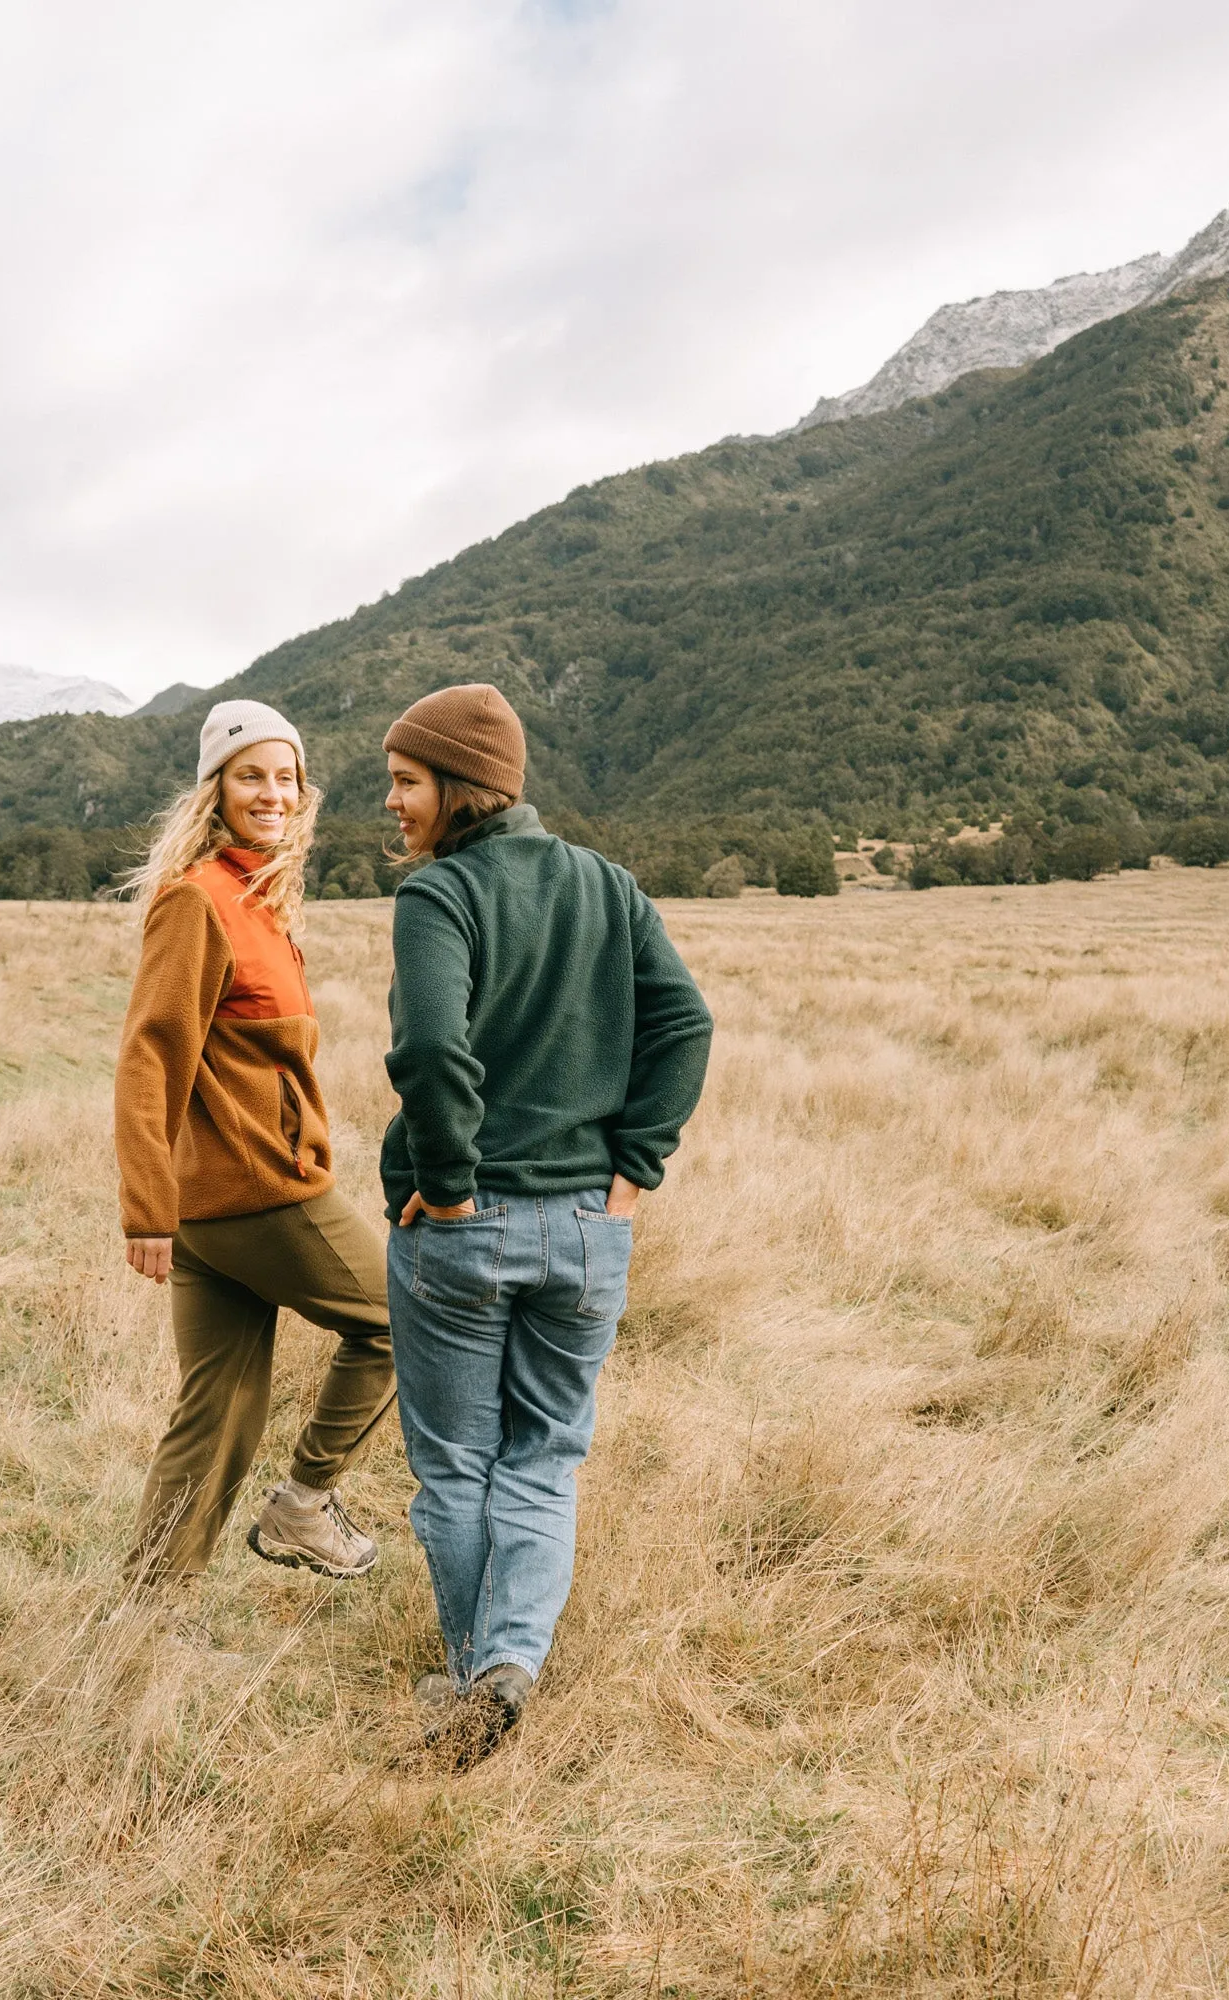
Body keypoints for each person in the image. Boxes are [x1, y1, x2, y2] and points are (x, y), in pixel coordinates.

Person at [380, 684, 713, 1765]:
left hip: (462, 1232)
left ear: (462, 789)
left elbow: (433, 1052)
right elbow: (685, 1021)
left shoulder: (441, 895)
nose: (390, 800)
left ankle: (478, 1671)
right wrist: (630, 1174)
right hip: (585, 1231)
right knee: (541, 1459)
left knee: (456, 1463)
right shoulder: (606, 886)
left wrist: (451, 1179)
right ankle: (507, 1670)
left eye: (405, 779)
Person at [113, 698, 395, 1596]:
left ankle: (146, 1621)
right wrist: (146, 1210)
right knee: (405, 1320)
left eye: (285, 777)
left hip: (217, 1205)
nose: (270, 793)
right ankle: (304, 1504)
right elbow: (151, 1058)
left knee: (218, 1413)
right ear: (216, 789)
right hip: (256, 1193)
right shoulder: (199, 902)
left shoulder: (258, 897)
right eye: (250, 776)